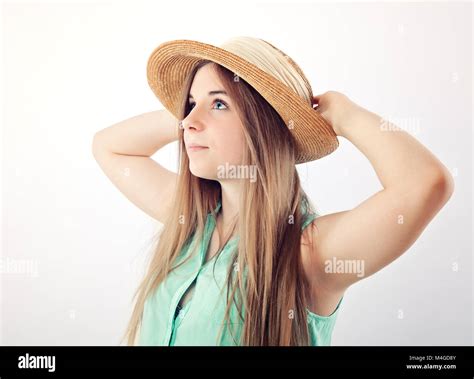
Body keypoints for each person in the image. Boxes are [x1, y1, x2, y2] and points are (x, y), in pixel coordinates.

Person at [92, 36, 454, 346]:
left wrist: (345, 115)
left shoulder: (309, 252)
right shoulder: (192, 221)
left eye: (219, 104)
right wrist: (195, 117)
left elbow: (425, 184)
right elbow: (108, 145)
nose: (187, 121)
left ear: (264, 124)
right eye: (190, 104)